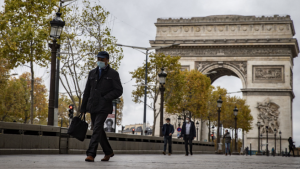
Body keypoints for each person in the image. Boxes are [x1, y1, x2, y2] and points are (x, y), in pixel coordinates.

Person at [81, 51, 123, 162]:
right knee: (98, 129)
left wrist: (106, 97)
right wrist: (83, 107)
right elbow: (86, 91)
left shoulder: (113, 74)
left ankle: (91, 154)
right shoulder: (92, 73)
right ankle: (108, 152)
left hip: (104, 106)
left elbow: (119, 90)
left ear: (107, 60)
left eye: (102, 59)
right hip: (93, 105)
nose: (99, 61)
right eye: (98, 59)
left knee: (97, 127)